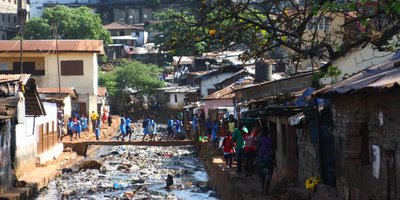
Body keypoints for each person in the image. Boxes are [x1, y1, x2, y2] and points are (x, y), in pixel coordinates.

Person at [257, 130, 274, 194]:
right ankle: (266, 190)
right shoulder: (271, 140)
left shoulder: (260, 140)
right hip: (269, 160)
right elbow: (273, 150)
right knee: (268, 175)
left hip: (262, 159)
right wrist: (274, 160)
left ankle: (262, 189)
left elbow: (257, 149)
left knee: (262, 175)